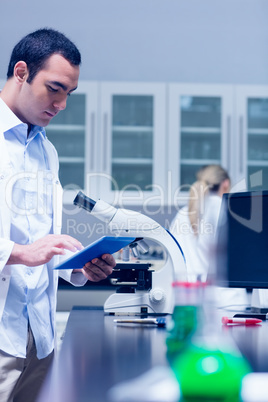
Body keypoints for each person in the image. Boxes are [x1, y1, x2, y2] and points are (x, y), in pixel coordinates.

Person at [0, 28, 116, 402]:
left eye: (69, 93)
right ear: (21, 72)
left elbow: (42, 240)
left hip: (40, 339)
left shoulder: (46, 151)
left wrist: (79, 266)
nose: (62, 103)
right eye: (54, 88)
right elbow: (27, 249)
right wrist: (18, 252)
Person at [170, 165, 248, 307]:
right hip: (227, 302)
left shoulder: (181, 215)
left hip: (189, 300)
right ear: (226, 184)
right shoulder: (229, 211)